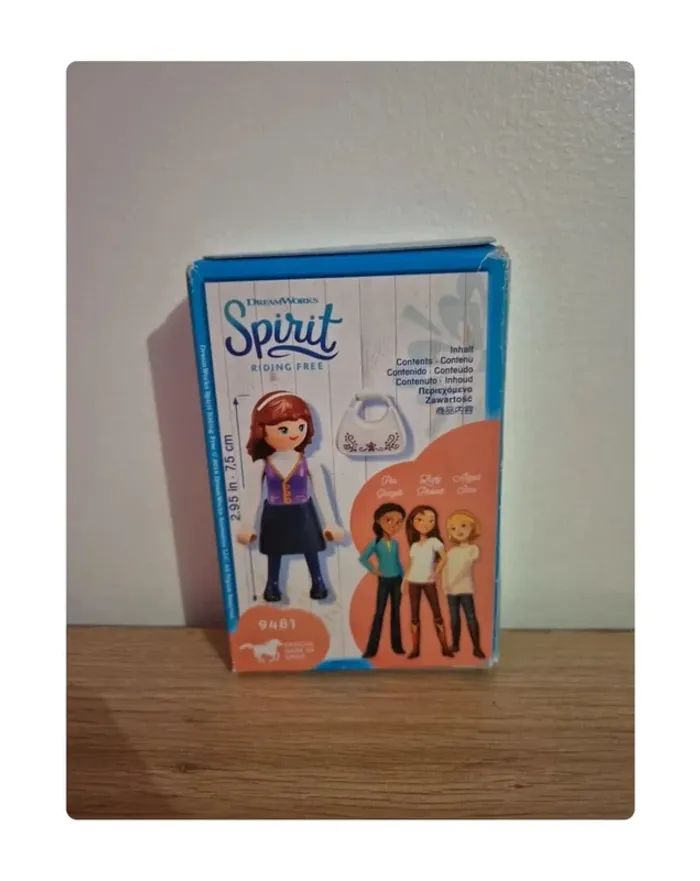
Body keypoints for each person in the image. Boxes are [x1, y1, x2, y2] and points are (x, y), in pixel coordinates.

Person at [236, 391, 344, 602]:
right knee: (274, 551)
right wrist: (247, 524)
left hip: (303, 512)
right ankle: (272, 585)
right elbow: (253, 496)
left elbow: (322, 494)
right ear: (262, 430)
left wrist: (331, 523)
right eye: (283, 429)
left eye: (300, 427)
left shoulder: (310, 464)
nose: (294, 434)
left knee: (311, 548)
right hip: (275, 514)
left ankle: (318, 581)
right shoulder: (262, 465)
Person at [402, 505, 453, 659]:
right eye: (420, 519)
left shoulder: (434, 541)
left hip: (428, 581)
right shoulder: (414, 545)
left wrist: (435, 572)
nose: (425, 524)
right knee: (414, 615)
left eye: (431, 520)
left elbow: (444, 558)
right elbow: (411, 565)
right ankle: (415, 649)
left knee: (437, 613)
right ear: (412, 522)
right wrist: (404, 581)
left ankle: (445, 647)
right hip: (413, 581)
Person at [358, 503, 407, 658]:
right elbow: (363, 558)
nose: (394, 525)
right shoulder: (376, 543)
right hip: (384, 581)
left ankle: (397, 646)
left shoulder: (395, 543)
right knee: (380, 612)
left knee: (396, 612)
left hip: (397, 579)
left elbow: (397, 562)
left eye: (398, 522)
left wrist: (404, 578)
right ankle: (371, 649)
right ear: (379, 521)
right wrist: (375, 571)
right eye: (389, 520)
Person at [444, 511, 486, 658]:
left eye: (463, 526)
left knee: (470, 617)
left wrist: (452, 582)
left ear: (472, 527)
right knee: (454, 618)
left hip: (465, 588)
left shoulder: (472, 549)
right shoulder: (451, 552)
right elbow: (445, 569)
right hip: (450, 590)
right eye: (453, 528)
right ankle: (455, 644)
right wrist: (445, 585)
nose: (459, 531)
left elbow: (465, 567)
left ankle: (476, 647)